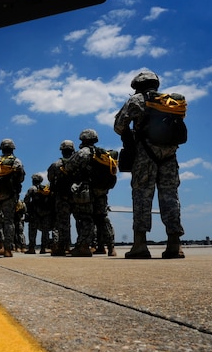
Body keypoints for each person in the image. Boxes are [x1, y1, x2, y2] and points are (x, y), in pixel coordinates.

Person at [114, 70, 186, 259]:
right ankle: (174, 245)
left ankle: (140, 244)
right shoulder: (169, 101)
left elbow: (119, 125)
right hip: (170, 156)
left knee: (142, 197)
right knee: (170, 198)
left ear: (136, 85)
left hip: (145, 155)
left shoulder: (137, 100)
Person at [76, 129, 118, 256]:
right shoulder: (102, 154)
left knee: (86, 217)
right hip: (102, 190)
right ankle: (111, 248)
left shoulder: (83, 153)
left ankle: (84, 246)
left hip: (87, 190)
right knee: (103, 218)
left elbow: (70, 167)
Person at [0, 139, 25, 257]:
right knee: (8, 221)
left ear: (1, 148)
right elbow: (21, 178)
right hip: (9, 195)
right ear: (13, 149)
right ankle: (7, 249)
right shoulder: (16, 161)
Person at [47, 140, 75, 256]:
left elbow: (50, 178)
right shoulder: (77, 162)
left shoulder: (56, 164)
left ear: (62, 151)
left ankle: (64, 246)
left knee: (63, 222)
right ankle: (84, 245)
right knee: (82, 220)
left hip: (62, 196)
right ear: (72, 149)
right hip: (78, 195)